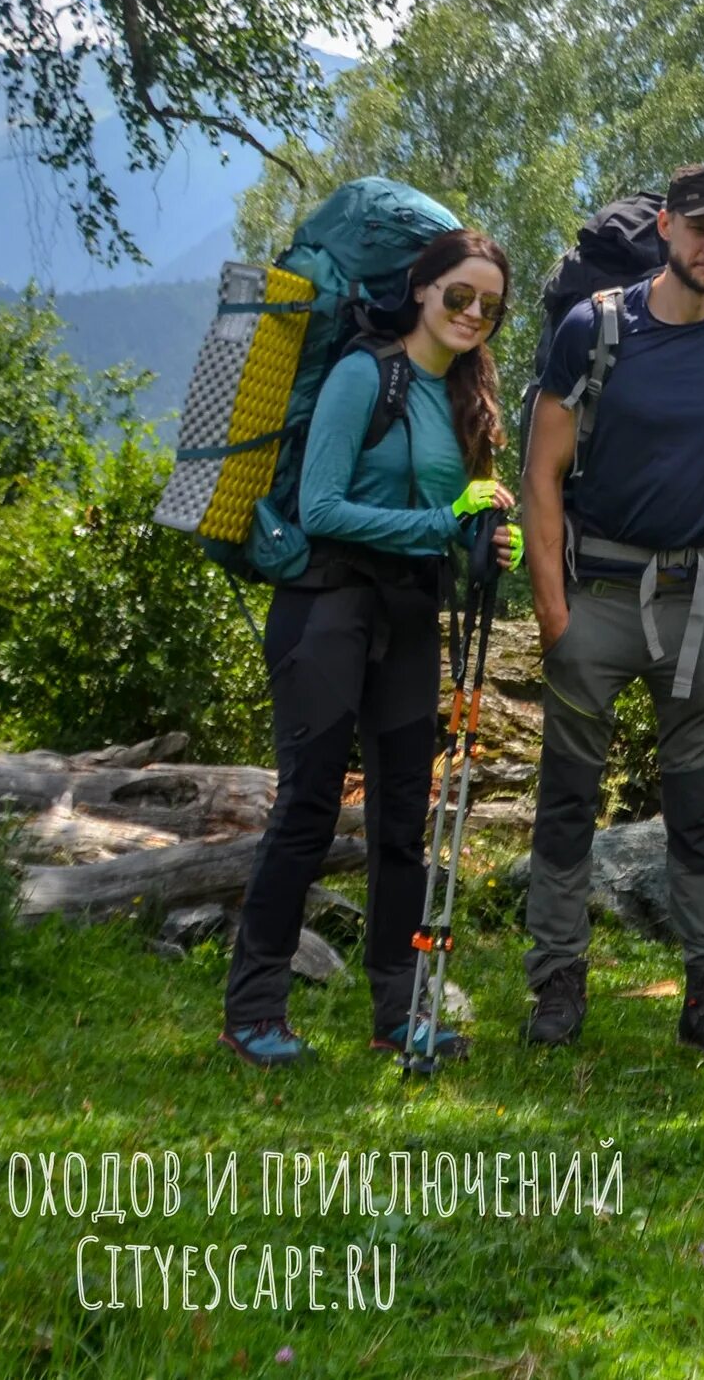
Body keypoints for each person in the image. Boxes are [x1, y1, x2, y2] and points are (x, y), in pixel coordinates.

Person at [221, 228, 521, 1068]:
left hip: (408, 618)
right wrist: (441, 524)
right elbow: (320, 506)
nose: (472, 314)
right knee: (308, 807)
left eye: (489, 307)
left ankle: (399, 1013)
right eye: (459, 295)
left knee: (401, 823)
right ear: (421, 288)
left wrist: (484, 542)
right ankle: (254, 1010)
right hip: (326, 607)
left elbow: (447, 516)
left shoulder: (462, 395)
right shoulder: (365, 373)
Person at [521, 164, 704, 1057]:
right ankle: (557, 982)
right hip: (597, 591)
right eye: (700, 230)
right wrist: (554, 612)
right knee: (566, 797)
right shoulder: (593, 329)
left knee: (698, 804)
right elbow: (542, 475)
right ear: (669, 228)